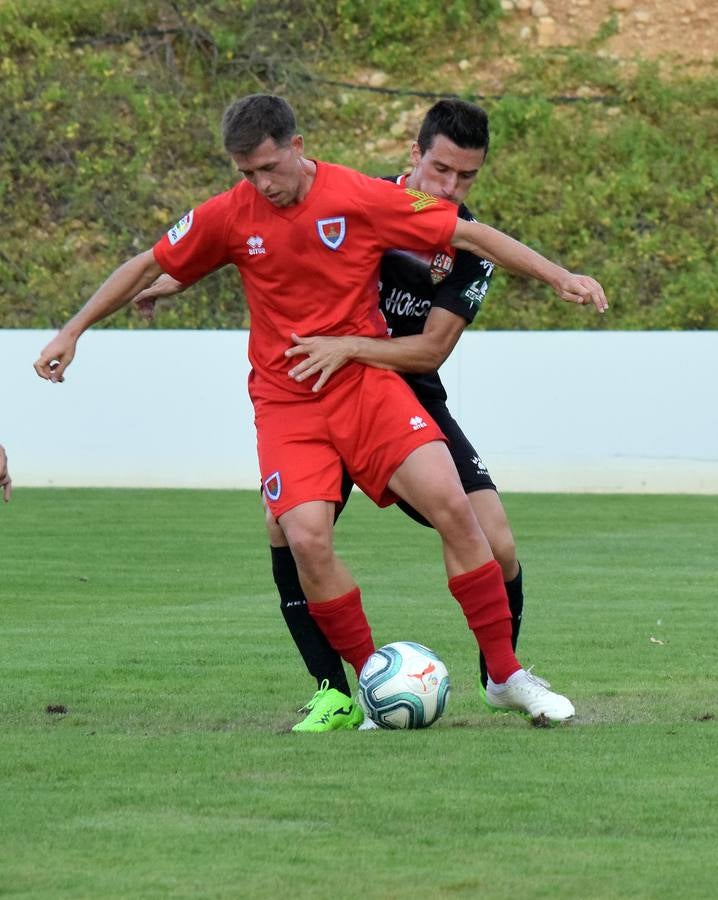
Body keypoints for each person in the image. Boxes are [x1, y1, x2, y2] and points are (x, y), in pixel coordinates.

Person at [35, 93, 607, 730]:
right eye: (247, 172)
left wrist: (560, 275)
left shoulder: (355, 196)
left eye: (271, 168)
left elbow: (468, 234)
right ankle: (367, 685)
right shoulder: (230, 214)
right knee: (303, 536)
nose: (262, 184)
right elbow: (147, 263)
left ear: (297, 147)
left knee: (455, 505)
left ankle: (505, 674)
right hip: (286, 404)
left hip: (366, 384)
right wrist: (72, 331)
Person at [134, 99, 536, 732]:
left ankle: (501, 675)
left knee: (498, 540)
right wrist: (179, 279)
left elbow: (431, 349)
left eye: (466, 179)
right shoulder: (355, 197)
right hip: (311, 393)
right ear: (415, 155)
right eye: (441, 171)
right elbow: (267, 248)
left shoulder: (469, 246)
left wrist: (350, 347)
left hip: (400, 388)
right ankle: (337, 691)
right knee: (290, 531)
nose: (451, 188)